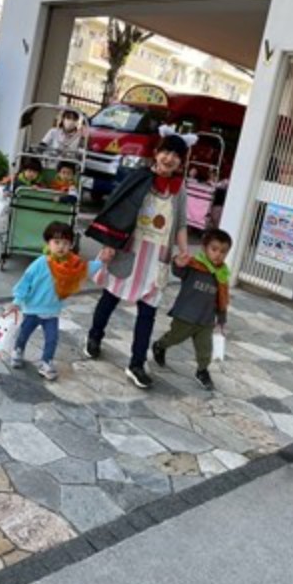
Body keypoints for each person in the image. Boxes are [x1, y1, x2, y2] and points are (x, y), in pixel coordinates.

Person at [84, 127, 197, 389]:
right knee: (110, 296)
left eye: (176, 155)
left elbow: (180, 224)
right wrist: (109, 244)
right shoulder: (138, 178)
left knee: (148, 311)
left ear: (181, 162)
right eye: (166, 152)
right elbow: (117, 209)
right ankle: (94, 337)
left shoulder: (179, 189)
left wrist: (183, 251)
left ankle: (136, 363)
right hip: (128, 250)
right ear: (156, 153)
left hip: (157, 258)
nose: (169, 158)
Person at [4, 221, 107, 380]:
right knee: (24, 333)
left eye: (65, 243)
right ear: (48, 243)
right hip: (33, 309)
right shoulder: (40, 263)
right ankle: (18, 350)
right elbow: (25, 282)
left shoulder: (72, 264)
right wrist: (17, 301)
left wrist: (101, 262)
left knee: (52, 339)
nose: (61, 247)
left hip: (52, 311)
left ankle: (46, 363)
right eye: (57, 242)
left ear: (71, 245)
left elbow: (85, 268)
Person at [151, 228, 232, 391]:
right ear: (204, 248)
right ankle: (160, 345)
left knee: (205, 349)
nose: (218, 254)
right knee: (175, 337)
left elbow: (221, 299)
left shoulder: (222, 275)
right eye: (214, 249)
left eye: (223, 251)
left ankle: (202, 371)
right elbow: (178, 270)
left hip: (206, 320)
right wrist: (177, 262)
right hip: (185, 315)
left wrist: (222, 318)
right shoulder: (194, 265)